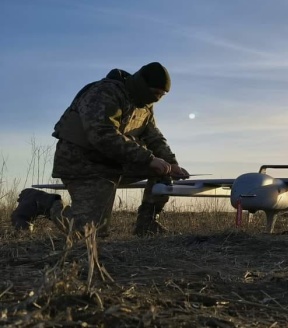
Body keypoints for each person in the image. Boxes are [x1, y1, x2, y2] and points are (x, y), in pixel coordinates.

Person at [11, 62, 189, 237]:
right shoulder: (103, 93)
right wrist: (148, 159)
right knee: (88, 232)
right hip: (83, 163)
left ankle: (147, 224)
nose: (157, 98)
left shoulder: (143, 104)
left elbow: (153, 137)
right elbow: (102, 135)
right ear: (143, 86)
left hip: (115, 162)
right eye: (155, 93)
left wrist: (171, 164)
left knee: (163, 170)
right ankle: (39, 202)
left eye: (161, 95)